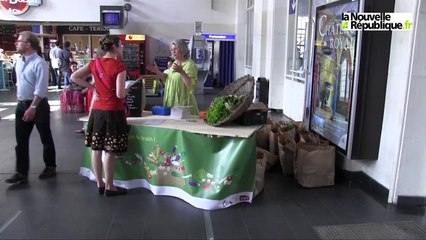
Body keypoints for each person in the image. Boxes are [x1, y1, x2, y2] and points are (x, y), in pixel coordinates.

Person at [71, 34, 128, 197]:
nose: (122, 48)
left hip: (97, 111)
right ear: (115, 47)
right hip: (113, 111)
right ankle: (110, 186)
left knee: (96, 148)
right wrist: (126, 90)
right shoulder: (119, 67)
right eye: (121, 45)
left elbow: (74, 77)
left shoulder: (94, 63)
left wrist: (92, 88)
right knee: (110, 150)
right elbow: (120, 94)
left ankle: (99, 183)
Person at [5, 31, 57, 184]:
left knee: (45, 136)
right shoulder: (19, 61)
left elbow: (41, 89)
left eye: (19, 41)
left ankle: (50, 166)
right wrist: (22, 103)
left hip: (38, 106)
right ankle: (21, 172)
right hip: (22, 105)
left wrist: (33, 107)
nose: (16, 43)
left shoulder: (39, 63)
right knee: (21, 140)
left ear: (28, 44)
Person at [146, 39, 199, 115]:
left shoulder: (190, 65)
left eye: (175, 49)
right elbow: (168, 78)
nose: (173, 52)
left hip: (183, 103)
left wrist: (182, 72)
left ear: (183, 50)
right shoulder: (175, 63)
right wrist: (157, 71)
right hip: (172, 101)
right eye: (171, 49)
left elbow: (191, 85)